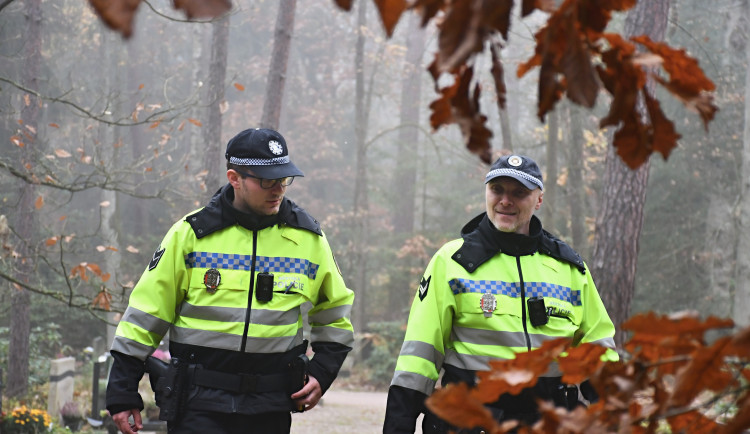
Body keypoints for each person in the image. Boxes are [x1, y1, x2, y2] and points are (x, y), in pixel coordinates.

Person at [106, 127, 355, 434]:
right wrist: (122, 389)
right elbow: (146, 314)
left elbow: (335, 312)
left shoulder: (308, 239)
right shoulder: (190, 235)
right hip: (198, 403)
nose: (278, 189)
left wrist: (322, 372)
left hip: (270, 406)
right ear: (234, 178)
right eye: (266, 180)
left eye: (283, 179)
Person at [383, 154, 618, 433]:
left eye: (519, 193)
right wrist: (399, 426)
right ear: (486, 192)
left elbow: (599, 352)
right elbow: (418, 357)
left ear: (539, 200)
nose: (506, 201)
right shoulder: (452, 263)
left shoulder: (569, 268)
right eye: (497, 190)